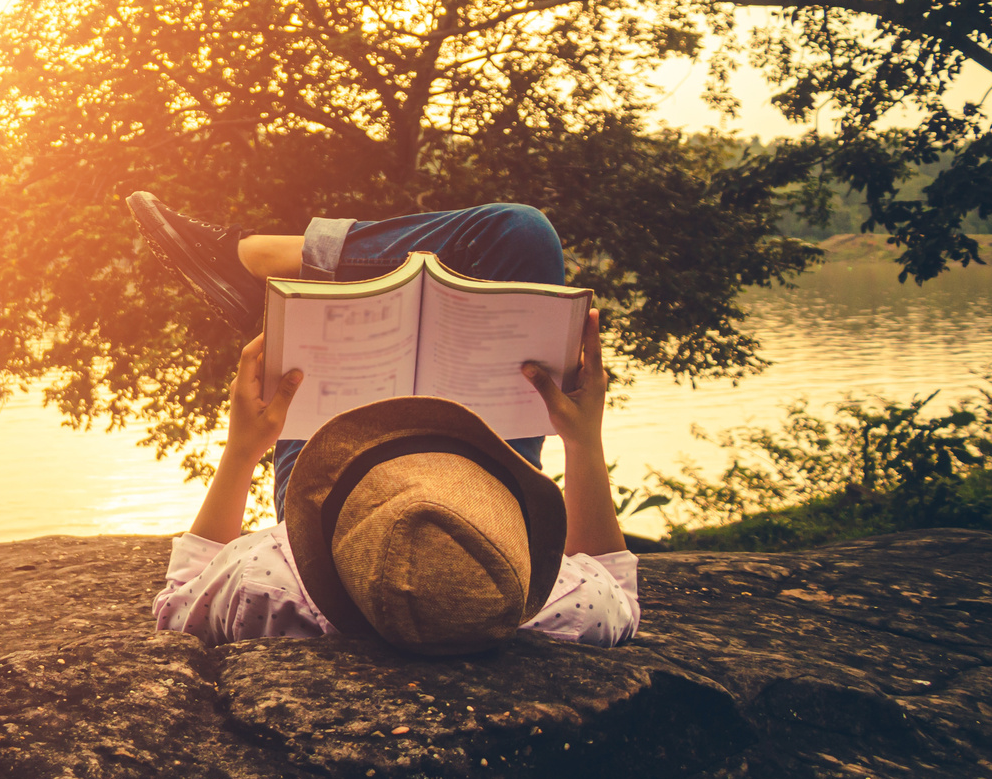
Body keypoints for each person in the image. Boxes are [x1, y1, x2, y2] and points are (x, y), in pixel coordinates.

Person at [129, 194, 639, 654]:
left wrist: (243, 449)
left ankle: (266, 264)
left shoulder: (274, 585)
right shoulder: (566, 609)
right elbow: (616, 583)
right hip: (419, 480)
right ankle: (278, 269)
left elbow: (176, 607)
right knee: (520, 234)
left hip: (339, 488)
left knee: (520, 231)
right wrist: (582, 441)